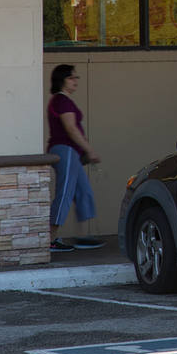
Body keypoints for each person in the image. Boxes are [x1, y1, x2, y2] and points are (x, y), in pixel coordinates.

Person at [47, 64, 103, 252]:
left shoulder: (65, 101)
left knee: (83, 191)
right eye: (72, 78)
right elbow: (71, 129)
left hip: (73, 152)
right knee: (65, 192)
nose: (75, 81)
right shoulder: (61, 101)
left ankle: (83, 237)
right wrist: (90, 150)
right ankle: (49, 239)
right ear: (62, 80)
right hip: (66, 150)